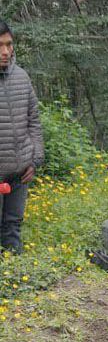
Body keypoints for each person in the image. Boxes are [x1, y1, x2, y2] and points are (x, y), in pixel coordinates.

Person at [0, 19, 44, 255]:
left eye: (9, 44)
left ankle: (16, 275)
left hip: (19, 175)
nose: (5, 51)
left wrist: (34, 160)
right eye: (0, 45)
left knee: (13, 228)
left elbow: (34, 122)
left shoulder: (22, 78)